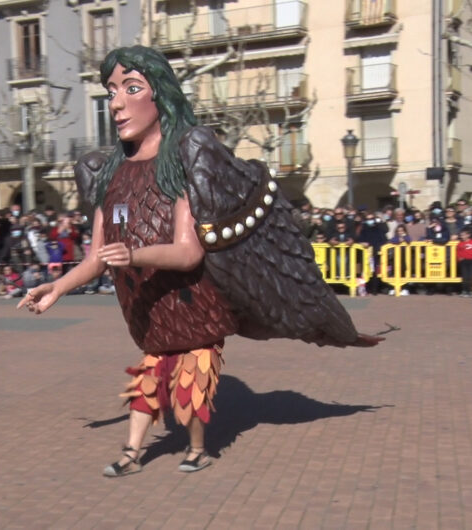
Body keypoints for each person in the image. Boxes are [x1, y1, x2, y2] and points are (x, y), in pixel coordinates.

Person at [19, 45, 380, 478]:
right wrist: (57, 287)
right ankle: (132, 453)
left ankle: (196, 449)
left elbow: (189, 252)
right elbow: (99, 254)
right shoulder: (108, 173)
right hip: (148, 309)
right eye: (111, 90)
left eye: (131, 88)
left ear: (161, 96)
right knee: (149, 381)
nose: (116, 102)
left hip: (191, 301)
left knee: (192, 377)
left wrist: (133, 254)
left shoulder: (183, 159)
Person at [457, 227, 472, 297]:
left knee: (470, 276)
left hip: (471, 260)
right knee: (465, 276)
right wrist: (459, 258)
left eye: (463, 235)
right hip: (464, 261)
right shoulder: (460, 244)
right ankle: (464, 291)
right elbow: (458, 252)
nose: (462, 236)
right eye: (461, 235)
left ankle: (470, 291)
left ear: (468, 235)